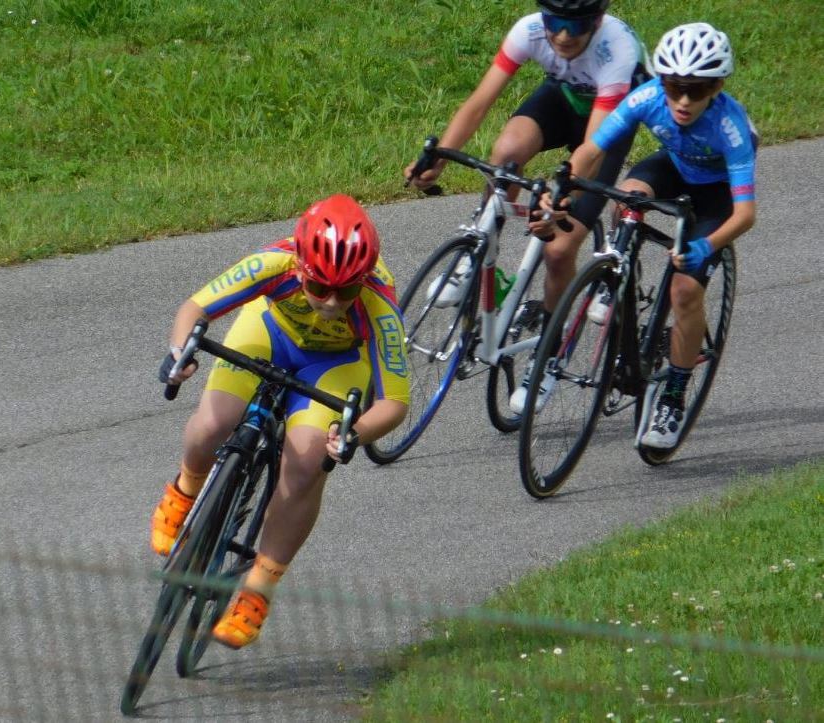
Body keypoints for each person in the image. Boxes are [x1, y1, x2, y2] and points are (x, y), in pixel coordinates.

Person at [151, 194, 410, 649]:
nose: (331, 302)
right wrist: (180, 354)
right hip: (268, 335)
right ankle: (185, 489)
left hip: (332, 364)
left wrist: (354, 434)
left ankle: (259, 588)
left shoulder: (379, 305)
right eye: (319, 287)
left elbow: (395, 402)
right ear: (301, 268)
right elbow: (195, 309)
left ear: (363, 280)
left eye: (346, 291)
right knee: (214, 423)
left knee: (307, 462)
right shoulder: (275, 262)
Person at [404, 0, 650, 412]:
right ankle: (482, 250)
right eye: (556, 23)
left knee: (558, 248)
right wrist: (439, 158)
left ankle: (549, 358)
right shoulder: (528, 30)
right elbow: (480, 102)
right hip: (564, 98)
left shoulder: (616, 50)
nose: (565, 36)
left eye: (577, 26)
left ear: (598, 21)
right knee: (507, 151)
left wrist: (560, 198)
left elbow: (591, 147)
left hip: (606, 125)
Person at [550, 22, 757, 447]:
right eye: (674, 86)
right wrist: (564, 186)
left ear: (716, 86)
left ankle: (674, 399)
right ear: (661, 80)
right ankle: (622, 264)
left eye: (696, 90)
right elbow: (593, 150)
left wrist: (706, 245)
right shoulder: (646, 98)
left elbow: (745, 214)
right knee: (626, 194)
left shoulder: (730, 127)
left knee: (684, 292)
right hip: (674, 167)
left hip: (715, 196)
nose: (683, 100)